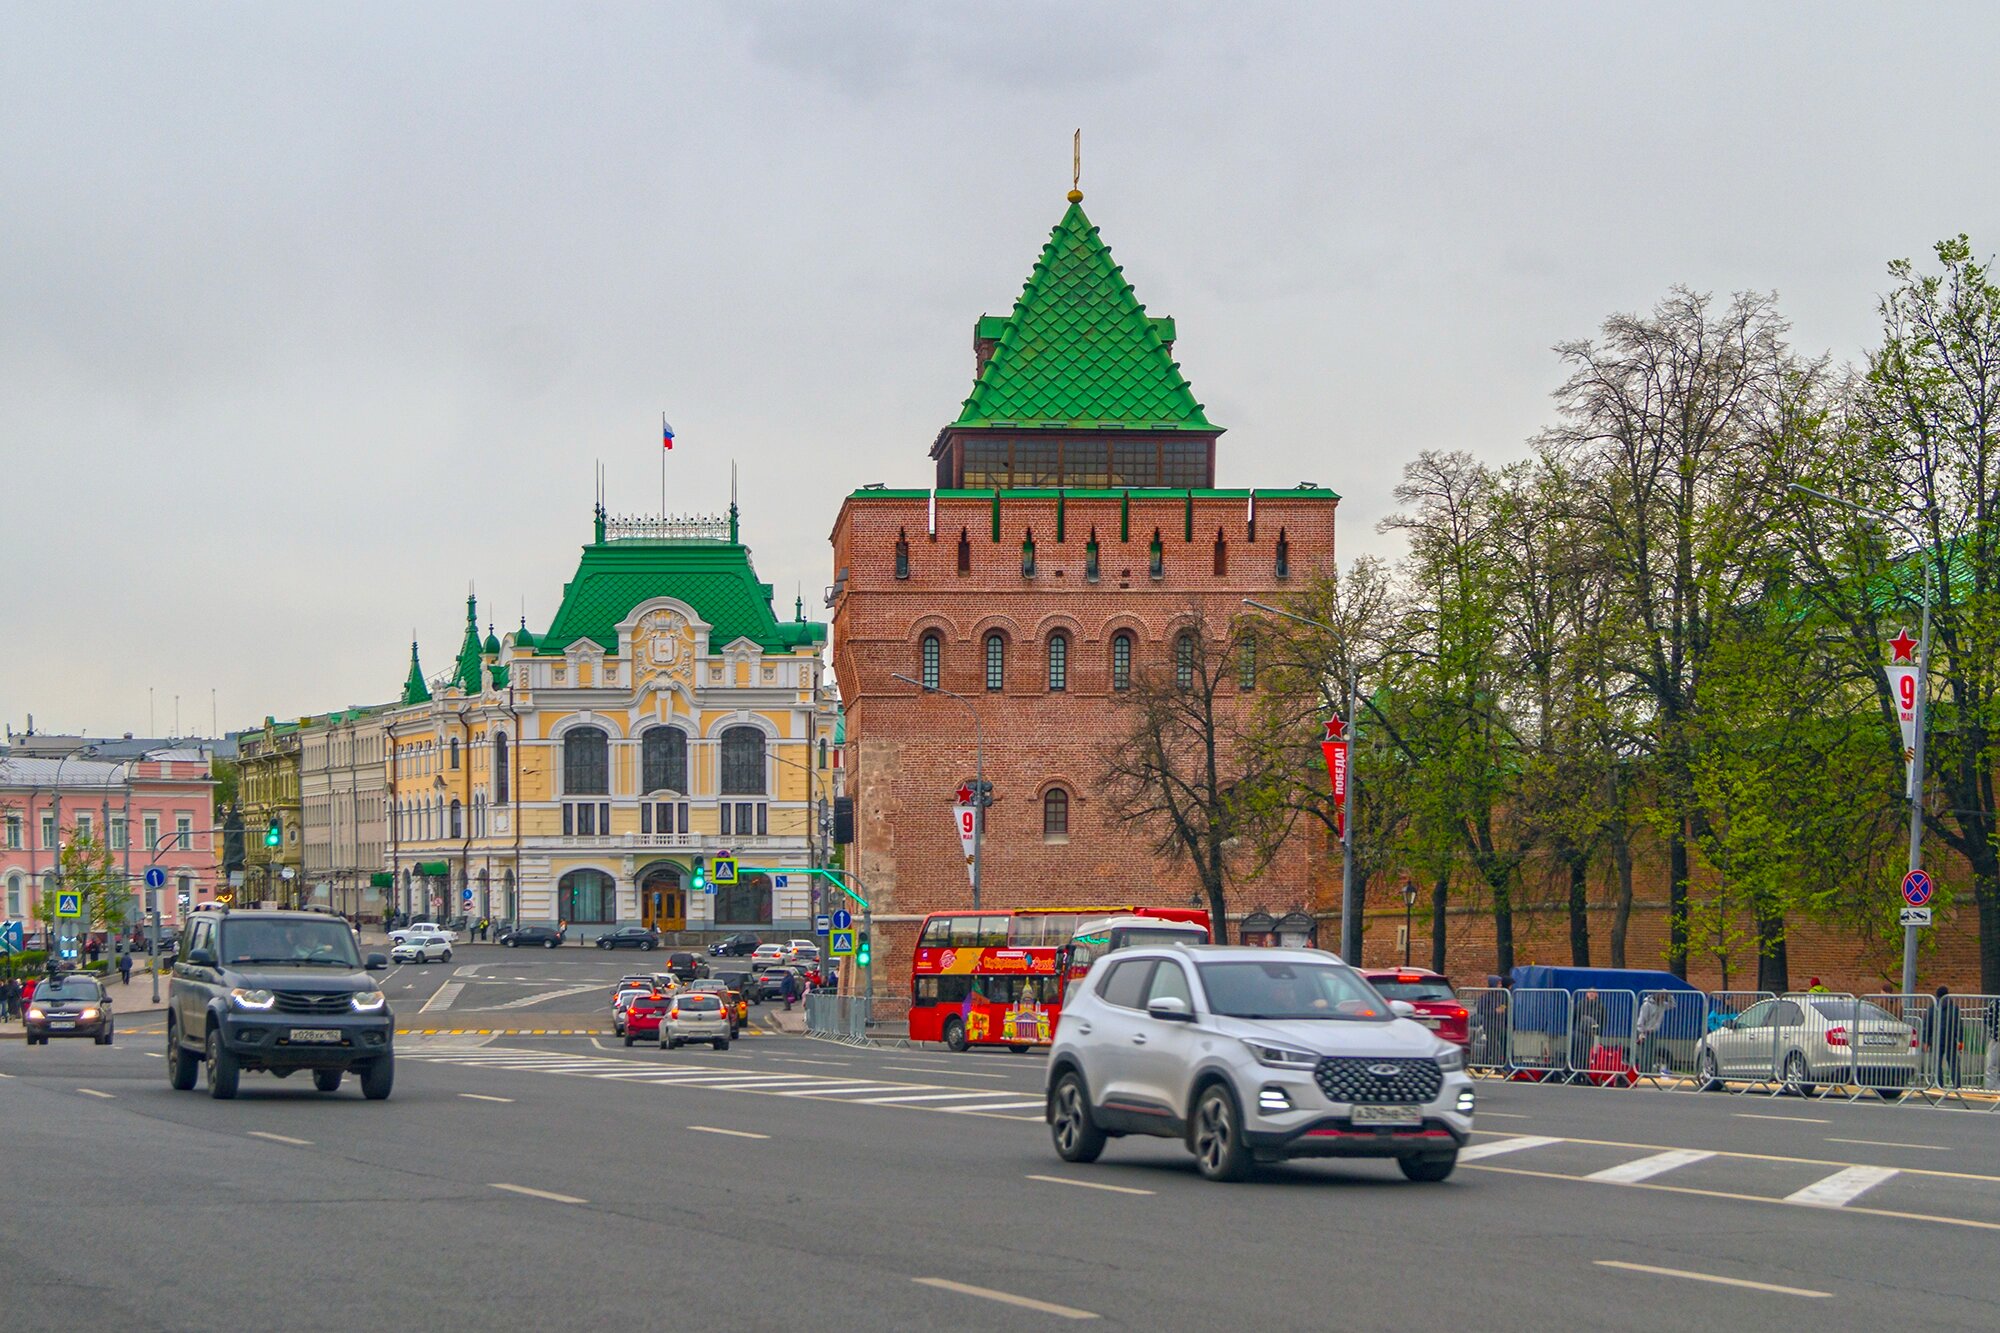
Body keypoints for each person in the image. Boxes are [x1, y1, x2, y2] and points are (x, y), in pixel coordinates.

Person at [1929, 986, 1962, 1088]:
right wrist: (1960, 1040)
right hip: (1950, 1039)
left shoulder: (1933, 1008)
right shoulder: (1954, 1008)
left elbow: (1928, 1024)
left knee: (1936, 1063)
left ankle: (1939, 1084)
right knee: (1953, 1063)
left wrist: (1926, 1040)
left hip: (1936, 1039)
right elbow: (1958, 1025)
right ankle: (1957, 1084)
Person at [1636, 991, 1675, 1074]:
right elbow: (1641, 1019)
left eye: (1664, 998)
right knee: (1644, 1053)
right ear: (1657, 996)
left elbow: (1672, 1005)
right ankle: (1642, 1071)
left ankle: (1648, 1071)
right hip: (1644, 1031)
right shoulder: (1647, 1005)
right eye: (1662, 997)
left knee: (1651, 1053)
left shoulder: (1662, 1005)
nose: (1663, 1000)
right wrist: (1641, 1032)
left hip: (1653, 1031)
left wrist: (1669, 996)